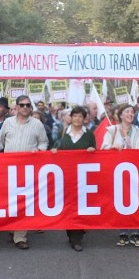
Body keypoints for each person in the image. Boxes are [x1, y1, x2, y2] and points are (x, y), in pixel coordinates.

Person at [0, 95, 49, 250]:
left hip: (28, 170)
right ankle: (12, 228)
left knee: (23, 202)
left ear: (31, 107)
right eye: (21, 105)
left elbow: (44, 143)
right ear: (16, 107)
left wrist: (39, 150)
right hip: (9, 169)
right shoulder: (7, 123)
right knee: (10, 201)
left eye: (28, 105)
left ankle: (20, 236)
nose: (25, 108)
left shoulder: (37, 125)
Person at [102, 103, 139, 247]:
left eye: (132, 112)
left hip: (134, 171)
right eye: (127, 112)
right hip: (117, 172)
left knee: (135, 199)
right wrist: (113, 147)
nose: (130, 114)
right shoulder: (112, 130)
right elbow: (103, 147)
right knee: (121, 200)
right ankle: (122, 231)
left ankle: (135, 231)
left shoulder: (137, 130)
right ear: (120, 115)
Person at [54, 106, 97, 251]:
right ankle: (70, 231)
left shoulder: (89, 134)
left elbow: (96, 154)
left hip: (83, 178)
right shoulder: (62, 133)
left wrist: (92, 151)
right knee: (69, 206)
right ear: (70, 118)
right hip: (66, 177)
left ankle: (76, 237)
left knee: (80, 206)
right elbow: (55, 148)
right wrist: (54, 151)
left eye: (80, 116)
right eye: (75, 116)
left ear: (84, 119)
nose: (77, 119)